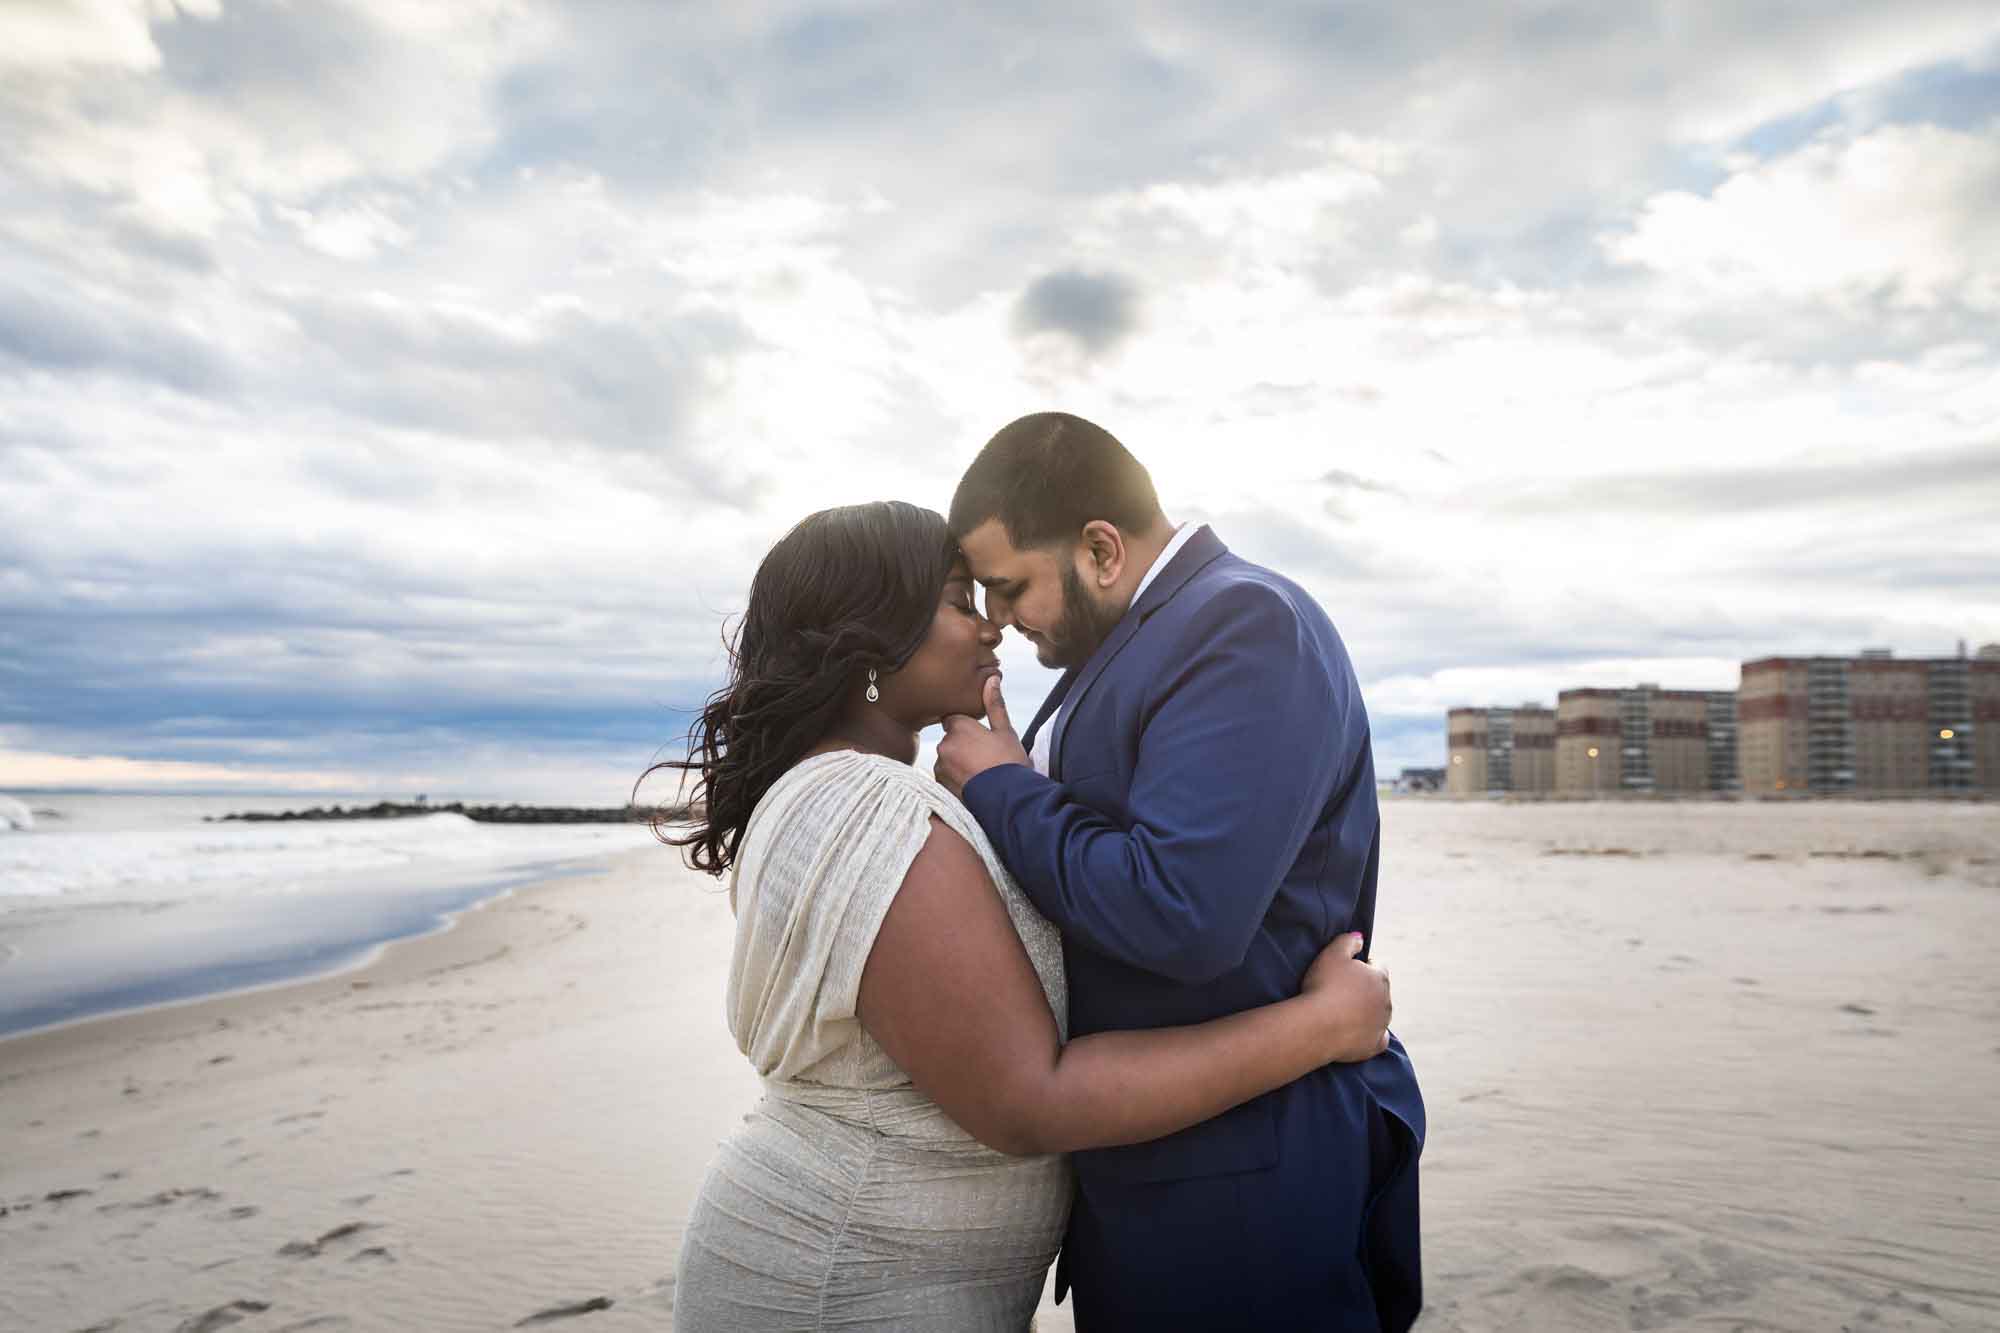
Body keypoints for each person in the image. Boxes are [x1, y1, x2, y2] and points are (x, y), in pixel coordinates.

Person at [661, 500, 1395, 1331]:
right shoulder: (862, 805)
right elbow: (1027, 1099)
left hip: (905, 1272)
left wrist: (1008, 788)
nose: (991, 629)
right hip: (844, 1279)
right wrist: (1327, 1024)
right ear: (869, 643)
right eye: (957, 601)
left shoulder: (871, 796)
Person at [934, 413, 1427, 1331]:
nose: (999, 619)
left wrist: (1003, 787)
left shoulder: (1243, 624)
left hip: (1244, 1195)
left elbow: (1181, 909)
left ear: (1100, 548)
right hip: (1161, 1173)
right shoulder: (1129, 641)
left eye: (1009, 587)